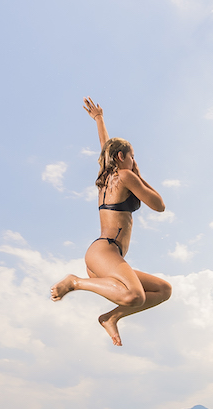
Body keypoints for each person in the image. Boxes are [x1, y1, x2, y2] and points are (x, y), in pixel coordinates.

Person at [50, 98, 172, 346]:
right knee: (134, 296)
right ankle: (75, 282)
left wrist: (99, 119)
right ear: (121, 156)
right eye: (132, 156)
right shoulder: (126, 175)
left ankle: (110, 318)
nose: (134, 161)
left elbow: (105, 148)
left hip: (104, 257)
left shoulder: (106, 176)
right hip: (104, 251)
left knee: (163, 290)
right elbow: (159, 205)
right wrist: (138, 173)